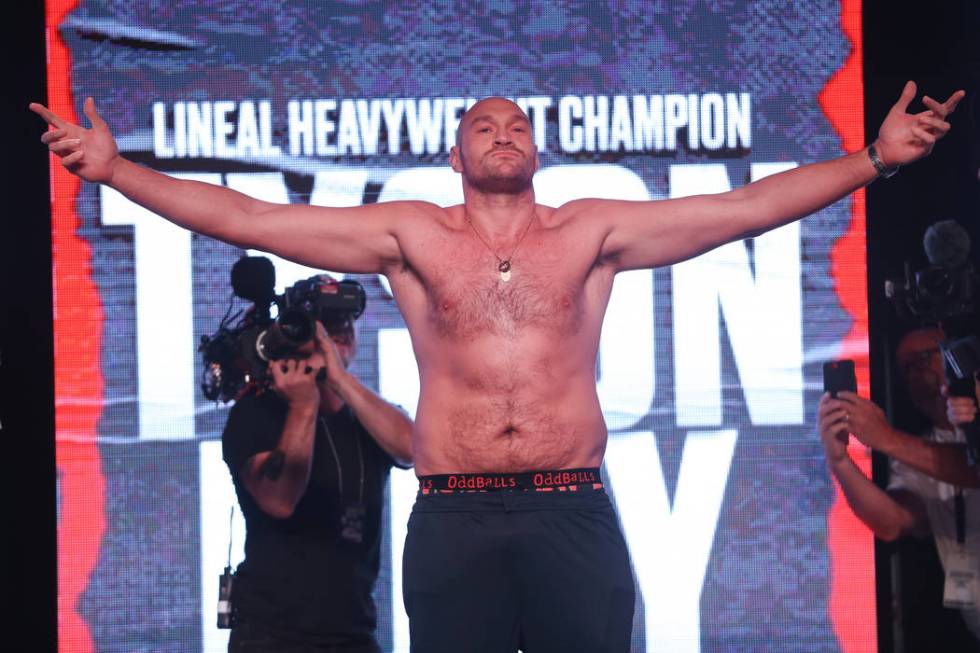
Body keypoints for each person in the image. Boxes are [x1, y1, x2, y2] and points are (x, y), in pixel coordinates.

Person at [32, 83, 963, 651]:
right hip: (457, 513)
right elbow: (251, 220)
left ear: (538, 149)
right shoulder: (408, 235)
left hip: (571, 506)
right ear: (455, 153)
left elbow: (744, 208)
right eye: (484, 124)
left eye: (518, 124)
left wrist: (873, 160)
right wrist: (116, 172)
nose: (504, 133)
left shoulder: (593, 230)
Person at [222, 300, 413, 653]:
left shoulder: (368, 415)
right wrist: (303, 405)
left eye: (344, 323)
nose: (335, 333)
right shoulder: (256, 412)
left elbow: (412, 450)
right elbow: (278, 500)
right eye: (324, 325)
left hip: (353, 630)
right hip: (271, 634)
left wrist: (340, 380)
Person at [818, 328, 980, 646]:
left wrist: (886, 438)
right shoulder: (918, 452)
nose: (917, 373)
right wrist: (840, 462)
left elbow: (973, 469)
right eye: (907, 367)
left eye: (925, 357)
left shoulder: (907, 447)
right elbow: (892, 523)